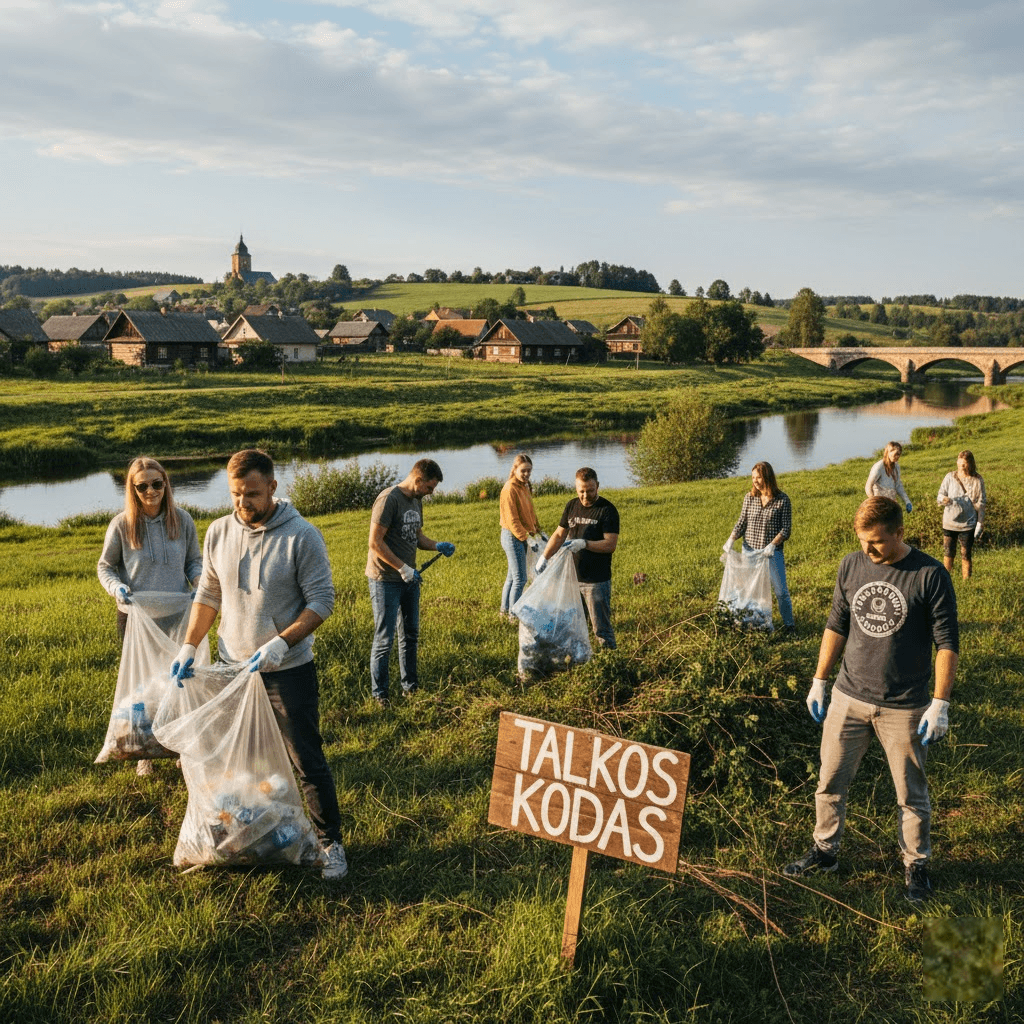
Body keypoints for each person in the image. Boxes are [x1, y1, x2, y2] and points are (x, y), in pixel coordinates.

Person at [168, 449, 348, 881]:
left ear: (272, 487)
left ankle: (331, 844)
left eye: (251, 493)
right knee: (238, 763)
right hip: (234, 670)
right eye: (235, 494)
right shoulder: (218, 532)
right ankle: (248, 836)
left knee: (305, 759)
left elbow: (323, 600)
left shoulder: (302, 536)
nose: (242, 503)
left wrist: (282, 644)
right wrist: (189, 646)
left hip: (286, 673)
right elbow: (208, 594)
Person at [783, 497, 958, 903]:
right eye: (862, 540)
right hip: (848, 696)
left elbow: (947, 643)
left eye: (877, 542)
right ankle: (825, 852)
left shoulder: (929, 574)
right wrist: (819, 680)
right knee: (829, 781)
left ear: (899, 532)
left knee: (911, 794)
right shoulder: (851, 564)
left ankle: (916, 865)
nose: (868, 550)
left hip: (905, 704)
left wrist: (940, 703)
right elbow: (836, 624)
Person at [97, 456, 202, 777]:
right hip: (137, 619)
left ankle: (181, 748)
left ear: (166, 484)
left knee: (179, 684)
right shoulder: (122, 524)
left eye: (157, 484)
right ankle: (144, 751)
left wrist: (199, 584)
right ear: (132, 488)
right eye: (142, 486)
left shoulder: (182, 520)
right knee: (143, 690)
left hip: (177, 616)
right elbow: (106, 566)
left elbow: (194, 562)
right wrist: (117, 588)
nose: (151, 491)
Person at [365, 458, 455, 706]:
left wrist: (437, 545)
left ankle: (410, 687)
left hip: (409, 579)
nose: (431, 493)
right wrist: (402, 568)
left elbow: (417, 537)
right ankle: (380, 695)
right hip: (385, 579)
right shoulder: (389, 499)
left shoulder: (417, 501)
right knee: (385, 638)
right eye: (429, 487)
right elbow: (375, 543)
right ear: (418, 480)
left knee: (410, 634)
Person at [537, 467, 619, 650]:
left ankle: (612, 662)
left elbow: (610, 544)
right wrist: (545, 557)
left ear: (597, 486)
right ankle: (579, 659)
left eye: (590, 490)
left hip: (596, 581)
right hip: (571, 579)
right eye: (581, 491)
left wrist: (585, 544)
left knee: (601, 629)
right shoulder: (572, 506)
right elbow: (559, 535)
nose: (585, 495)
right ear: (576, 488)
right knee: (574, 625)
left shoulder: (607, 510)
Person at [723, 461, 795, 632]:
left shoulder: (782, 500)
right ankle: (753, 623)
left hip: (771, 554)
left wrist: (772, 545)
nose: (755, 481)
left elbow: (786, 529)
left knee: (780, 591)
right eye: (753, 477)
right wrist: (731, 539)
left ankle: (789, 625)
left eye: (759, 477)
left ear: (767, 478)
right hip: (749, 551)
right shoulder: (750, 498)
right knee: (749, 591)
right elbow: (742, 522)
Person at [499, 454, 545, 622]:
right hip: (512, 537)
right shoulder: (510, 488)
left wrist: (537, 529)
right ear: (515, 469)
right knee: (521, 578)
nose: (526, 474)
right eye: (523, 471)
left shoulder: (524, 486)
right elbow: (512, 520)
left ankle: (504, 611)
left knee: (512, 576)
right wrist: (526, 538)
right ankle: (514, 615)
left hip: (522, 535)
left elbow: (529, 512)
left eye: (529, 471)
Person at [937, 449, 986, 580]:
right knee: (948, 552)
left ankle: (966, 582)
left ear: (970, 464)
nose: (961, 468)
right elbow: (940, 495)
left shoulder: (977, 480)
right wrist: (944, 499)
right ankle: (946, 580)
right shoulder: (950, 477)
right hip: (949, 522)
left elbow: (981, 503)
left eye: (963, 465)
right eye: (959, 464)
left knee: (966, 553)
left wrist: (979, 524)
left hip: (968, 523)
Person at [865, 441, 912, 512]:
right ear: (889, 452)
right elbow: (868, 486)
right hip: (879, 503)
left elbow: (898, 485)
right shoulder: (879, 467)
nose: (897, 457)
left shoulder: (896, 467)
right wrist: (874, 502)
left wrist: (907, 501)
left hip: (891, 502)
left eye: (899, 454)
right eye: (895, 454)